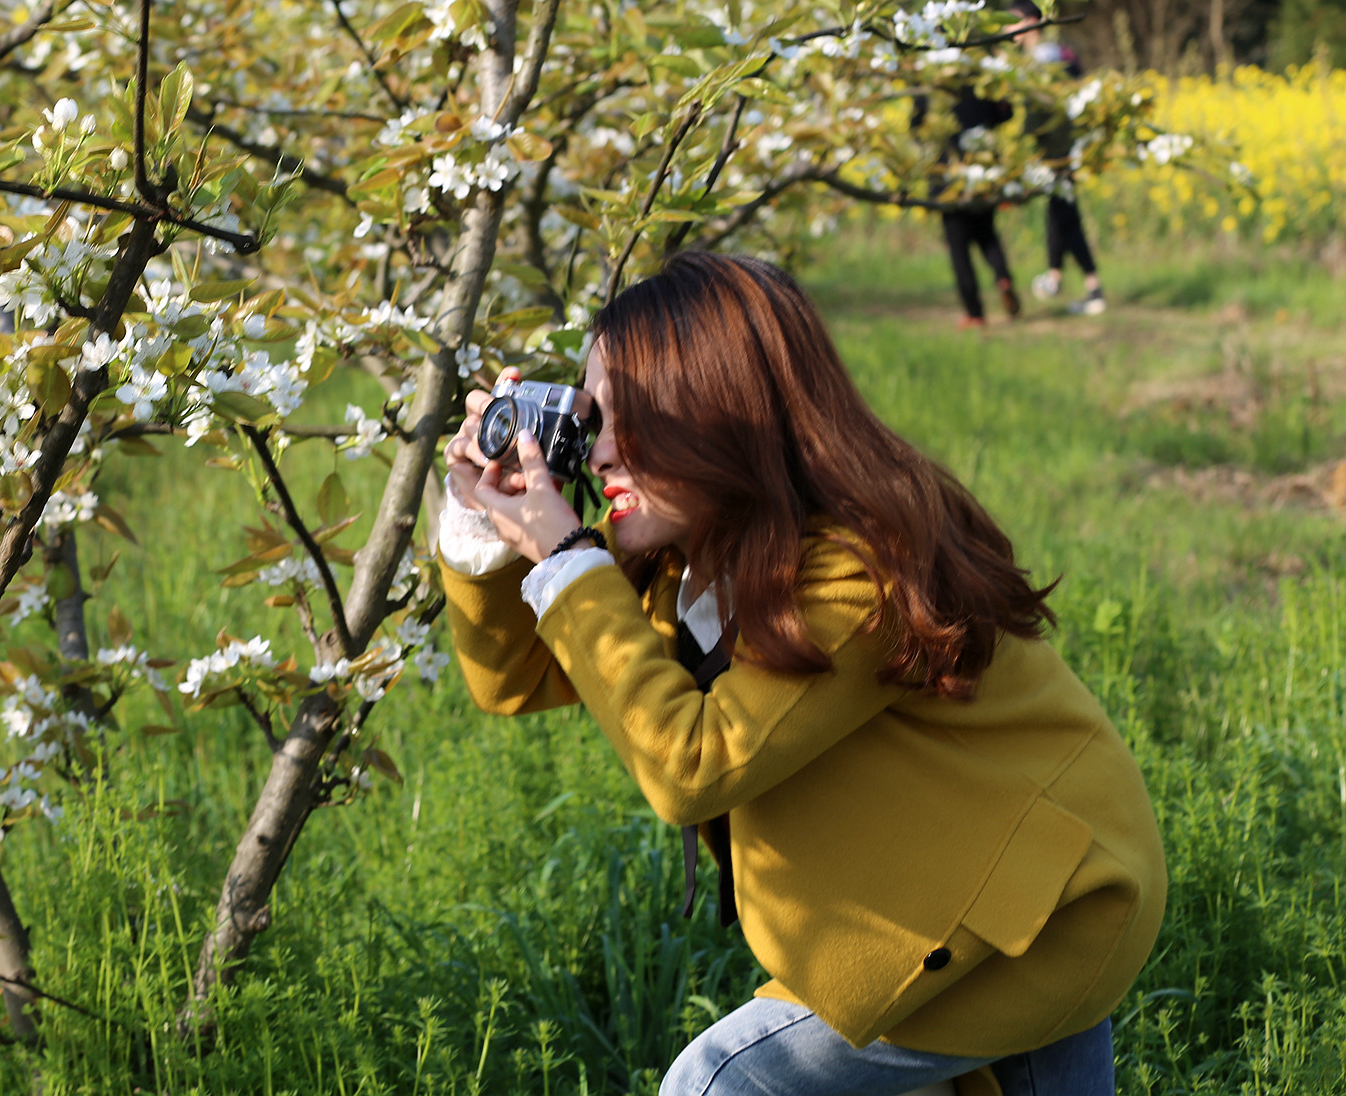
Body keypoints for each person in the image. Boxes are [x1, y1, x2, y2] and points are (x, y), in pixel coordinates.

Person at [438, 253, 1166, 1096]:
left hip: (1046, 917)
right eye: (591, 417)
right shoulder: (683, 559)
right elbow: (511, 679)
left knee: (717, 1083)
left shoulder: (859, 572)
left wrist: (568, 558)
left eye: (630, 423)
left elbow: (693, 765)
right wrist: (484, 520)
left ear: (718, 416)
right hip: (978, 890)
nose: (598, 453)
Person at [1013, 0, 1107, 316]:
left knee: (1065, 214)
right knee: (1059, 212)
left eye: (1012, 21)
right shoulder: (1056, 54)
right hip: (1058, 150)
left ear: (1030, 22)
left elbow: (1052, 108)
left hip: (1058, 150)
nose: (1007, 29)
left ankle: (1093, 289)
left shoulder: (1044, 60)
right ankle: (1056, 277)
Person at [915, 89, 1022, 328]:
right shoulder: (981, 85)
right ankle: (1003, 278)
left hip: (948, 177)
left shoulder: (928, 90)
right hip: (982, 172)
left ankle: (975, 313)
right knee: (987, 236)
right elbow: (1005, 114)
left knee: (959, 249)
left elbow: (915, 128)